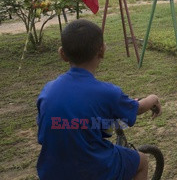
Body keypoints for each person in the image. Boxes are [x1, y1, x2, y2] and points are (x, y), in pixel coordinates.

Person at [36, 19, 161, 180]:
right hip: (92, 169)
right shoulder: (108, 92)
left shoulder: (47, 90)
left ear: (62, 54)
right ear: (102, 51)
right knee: (142, 161)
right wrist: (153, 98)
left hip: (52, 170)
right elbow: (138, 108)